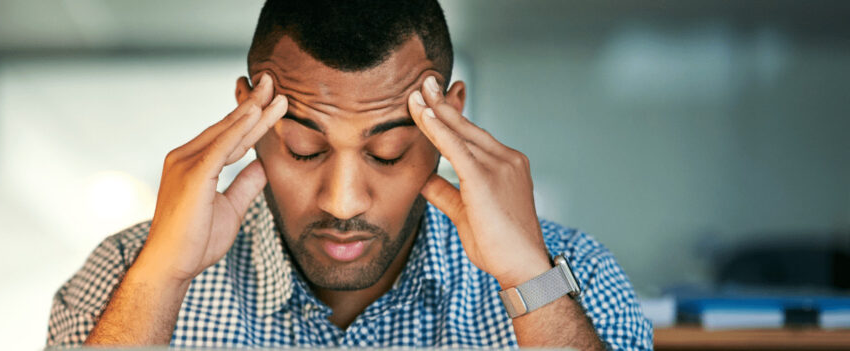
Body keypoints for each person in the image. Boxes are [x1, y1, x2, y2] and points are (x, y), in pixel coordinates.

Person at [47, 0, 652, 349]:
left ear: (451, 121)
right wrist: (160, 280)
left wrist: (530, 280)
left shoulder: (577, 280)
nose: (343, 200)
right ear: (248, 119)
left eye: (387, 151)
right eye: (305, 147)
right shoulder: (122, 279)